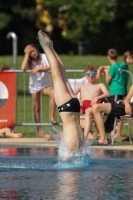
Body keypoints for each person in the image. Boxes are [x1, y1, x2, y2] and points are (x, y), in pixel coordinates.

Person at [38, 30, 84, 154]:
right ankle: (47, 47)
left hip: (73, 107)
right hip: (71, 108)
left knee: (61, 75)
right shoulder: (75, 150)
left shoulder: (73, 149)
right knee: (59, 75)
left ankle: (49, 47)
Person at [21, 44, 58, 138]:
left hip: (45, 84)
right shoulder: (29, 60)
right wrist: (26, 54)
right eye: (30, 53)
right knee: (37, 107)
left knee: (54, 92)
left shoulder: (44, 56)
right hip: (35, 85)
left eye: (33, 51)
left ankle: (51, 117)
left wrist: (39, 69)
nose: (33, 54)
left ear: (37, 50)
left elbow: (51, 66)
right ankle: (39, 130)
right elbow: (23, 68)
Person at [96, 49, 133, 139]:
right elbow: (115, 68)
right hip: (121, 90)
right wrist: (102, 68)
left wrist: (104, 70)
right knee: (119, 111)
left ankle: (117, 132)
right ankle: (115, 131)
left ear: (108, 57)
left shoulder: (118, 66)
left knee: (117, 112)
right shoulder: (122, 66)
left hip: (117, 91)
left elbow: (108, 80)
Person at [74, 64, 110, 140]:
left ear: (96, 74)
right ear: (85, 75)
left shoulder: (100, 85)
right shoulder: (81, 86)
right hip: (83, 104)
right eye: (88, 74)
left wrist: (97, 97)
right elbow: (72, 95)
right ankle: (73, 134)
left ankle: (84, 137)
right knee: (73, 113)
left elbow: (107, 93)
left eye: (93, 73)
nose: (91, 76)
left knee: (88, 112)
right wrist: (78, 99)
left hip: (93, 105)